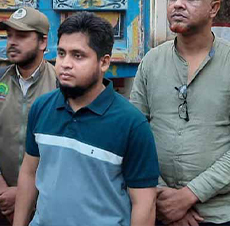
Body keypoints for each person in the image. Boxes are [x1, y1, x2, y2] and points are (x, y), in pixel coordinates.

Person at [130, 0, 230, 226]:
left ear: (213, 9)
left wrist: (189, 195)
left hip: (219, 214)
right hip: (156, 208)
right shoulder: (151, 62)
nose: (178, 4)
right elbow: (135, 134)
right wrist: (163, 197)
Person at [13, 12, 160, 226]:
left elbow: (144, 204)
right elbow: (28, 173)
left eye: (78, 56)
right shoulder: (42, 108)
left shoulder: (131, 124)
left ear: (104, 62)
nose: (65, 64)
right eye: (62, 53)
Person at [0, 6, 58, 226]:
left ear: (43, 42)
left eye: (21, 36)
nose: (12, 42)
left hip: (49, 204)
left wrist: (25, 193)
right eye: (9, 36)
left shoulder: (61, 86)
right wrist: (3, 192)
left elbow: (68, 154)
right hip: (3, 204)